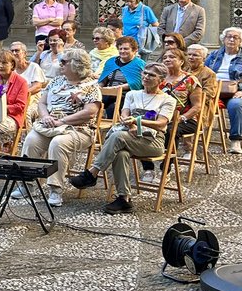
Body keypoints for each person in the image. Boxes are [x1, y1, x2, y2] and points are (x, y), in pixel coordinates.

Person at [69, 64, 177, 214]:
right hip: (130, 135)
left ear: (161, 80)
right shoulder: (133, 94)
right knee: (121, 153)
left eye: (152, 75)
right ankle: (124, 198)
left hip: (152, 141)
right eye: (145, 73)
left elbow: (161, 123)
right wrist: (129, 123)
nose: (146, 77)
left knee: (118, 136)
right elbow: (124, 113)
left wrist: (137, 122)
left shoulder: (167, 99)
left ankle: (92, 173)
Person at [20, 47, 102, 208]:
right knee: (31, 140)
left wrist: (63, 121)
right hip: (51, 125)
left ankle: (55, 189)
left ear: (77, 65)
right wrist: (45, 116)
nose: (60, 64)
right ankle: (27, 184)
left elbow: (90, 112)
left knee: (58, 143)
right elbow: (42, 103)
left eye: (64, 62)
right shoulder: (56, 81)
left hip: (79, 129)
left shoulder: (92, 86)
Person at [205, 27, 242, 154]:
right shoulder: (214, 56)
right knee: (198, 101)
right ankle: (193, 139)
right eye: (229, 37)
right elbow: (203, 72)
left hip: (237, 93)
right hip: (214, 91)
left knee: (235, 105)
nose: (231, 39)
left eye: (235, 37)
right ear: (223, 39)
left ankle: (235, 141)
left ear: (240, 41)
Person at [9, 41, 47, 125]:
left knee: (25, 113)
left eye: (17, 50)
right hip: (14, 102)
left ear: (25, 54)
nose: (14, 53)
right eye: (12, 51)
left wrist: (20, 95)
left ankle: (28, 133)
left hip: (33, 101)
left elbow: (37, 86)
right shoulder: (10, 70)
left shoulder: (34, 67)